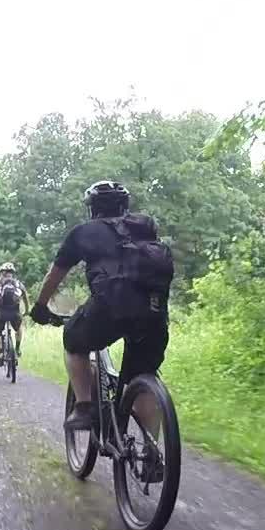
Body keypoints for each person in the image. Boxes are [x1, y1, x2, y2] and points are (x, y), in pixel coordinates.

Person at [30, 180, 173, 438]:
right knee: (143, 373)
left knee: (73, 340)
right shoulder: (145, 226)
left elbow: (55, 275)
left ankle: (84, 407)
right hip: (153, 311)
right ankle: (152, 452)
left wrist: (40, 306)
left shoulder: (83, 232)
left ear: (92, 208)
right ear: (125, 205)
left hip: (110, 309)